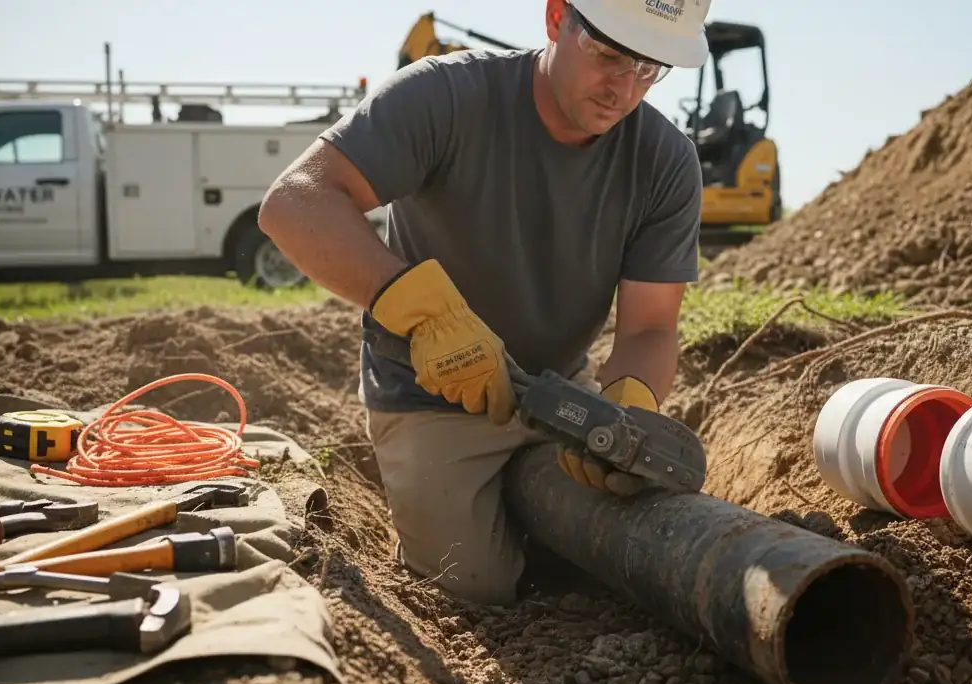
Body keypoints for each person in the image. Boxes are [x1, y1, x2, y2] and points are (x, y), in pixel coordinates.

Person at [257, 0, 711, 605]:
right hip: (428, 393)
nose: (624, 89)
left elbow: (651, 329)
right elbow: (294, 203)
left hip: (557, 393)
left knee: (604, 561)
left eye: (650, 69)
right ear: (556, 18)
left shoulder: (664, 161)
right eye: (609, 56)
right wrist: (423, 317)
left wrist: (628, 404)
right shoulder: (446, 96)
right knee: (475, 587)